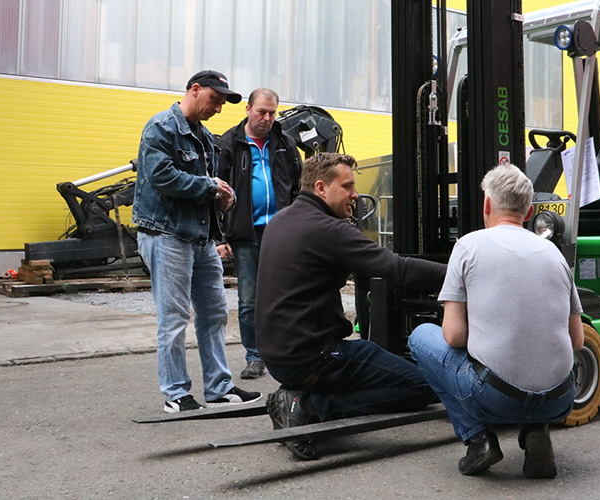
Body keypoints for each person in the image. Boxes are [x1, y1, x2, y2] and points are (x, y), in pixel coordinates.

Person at [256, 152, 445, 460]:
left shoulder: (280, 220)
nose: (355, 195)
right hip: (314, 358)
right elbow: (397, 269)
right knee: (423, 386)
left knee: (373, 362)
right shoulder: (331, 231)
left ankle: (298, 395)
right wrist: (461, 274)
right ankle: (306, 407)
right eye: (347, 186)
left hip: (277, 356)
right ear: (321, 188)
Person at [407, 163, 584, 478]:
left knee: (421, 336)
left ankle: (478, 439)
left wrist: (490, 328)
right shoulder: (555, 255)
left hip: (495, 399)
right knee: (533, 349)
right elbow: (577, 341)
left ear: (487, 204)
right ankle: (536, 432)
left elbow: (454, 336)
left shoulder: (468, 247)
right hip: (560, 398)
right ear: (529, 211)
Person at [133, 69, 261, 413]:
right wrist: (209, 188)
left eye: (222, 103)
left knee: (216, 312)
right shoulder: (161, 127)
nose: (218, 108)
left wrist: (223, 201)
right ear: (194, 90)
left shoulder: (205, 138)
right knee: (174, 317)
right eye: (214, 100)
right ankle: (176, 394)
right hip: (166, 235)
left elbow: (208, 188)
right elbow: (161, 176)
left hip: (201, 238)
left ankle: (219, 389)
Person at [216, 88, 304, 380]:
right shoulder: (229, 143)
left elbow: (297, 186)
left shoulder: (285, 143)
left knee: (288, 294)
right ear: (248, 110)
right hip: (245, 234)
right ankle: (255, 357)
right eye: (261, 112)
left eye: (272, 113)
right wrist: (221, 236)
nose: (266, 118)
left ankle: (289, 351)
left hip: (282, 233)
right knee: (249, 301)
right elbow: (215, 192)